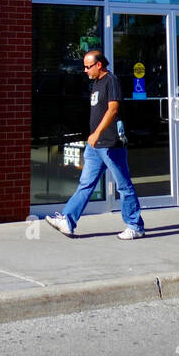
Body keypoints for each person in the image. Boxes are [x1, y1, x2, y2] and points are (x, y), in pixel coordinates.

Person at [46, 50, 145, 240]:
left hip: (110, 144)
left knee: (123, 186)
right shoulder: (96, 84)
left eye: (87, 66)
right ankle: (68, 220)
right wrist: (93, 136)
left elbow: (113, 109)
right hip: (95, 146)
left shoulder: (111, 81)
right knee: (86, 184)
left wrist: (98, 133)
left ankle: (135, 225)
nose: (85, 70)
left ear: (99, 65)